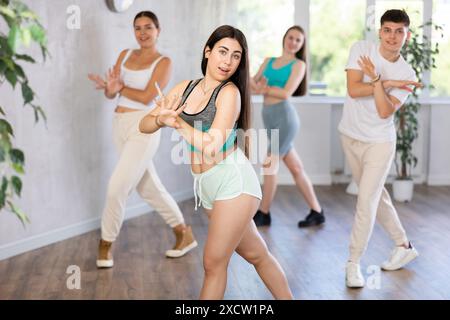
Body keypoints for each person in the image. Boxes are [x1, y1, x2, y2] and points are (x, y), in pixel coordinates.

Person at [139, 25, 293, 300]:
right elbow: (144, 124)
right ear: (208, 52)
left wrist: (176, 123)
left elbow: (211, 145)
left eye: (236, 56)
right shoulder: (185, 88)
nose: (228, 61)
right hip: (207, 186)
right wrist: (160, 118)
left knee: (212, 263)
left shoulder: (229, 93)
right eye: (223, 52)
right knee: (257, 254)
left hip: (233, 182)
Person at [88, 11, 197, 268]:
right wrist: (108, 88)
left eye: (148, 27)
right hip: (120, 125)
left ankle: (105, 244)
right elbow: (112, 94)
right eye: (137, 28)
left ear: (158, 30)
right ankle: (184, 233)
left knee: (116, 187)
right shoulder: (124, 55)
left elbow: (148, 96)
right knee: (148, 186)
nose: (143, 33)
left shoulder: (164, 61)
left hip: (145, 128)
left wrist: (119, 88)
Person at [339, 9, 422, 288]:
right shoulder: (361, 49)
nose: (393, 36)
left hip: (379, 142)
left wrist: (375, 82)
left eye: (399, 31)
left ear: (406, 36)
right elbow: (352, 88)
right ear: (380, 32)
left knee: (365, 201)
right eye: (388, 30)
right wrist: (385, 83)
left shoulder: (407, 73)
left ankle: (353, 263)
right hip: (350, 134)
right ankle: (404, 244)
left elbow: (385, 110)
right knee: (375, 195)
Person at [250, 26, 324, 228]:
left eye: (298, 40)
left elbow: (285, 93)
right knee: (296, 168)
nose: (293, 42)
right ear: (284, 38)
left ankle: (263, 213)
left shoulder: (298, 65)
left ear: (301, 45)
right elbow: (251, 84)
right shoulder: (269, 61)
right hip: (270, 118)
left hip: (285, 119)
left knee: (269, 165)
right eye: (291, 37)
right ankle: (317, 211)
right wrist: (257, 86)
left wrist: (263, 88)